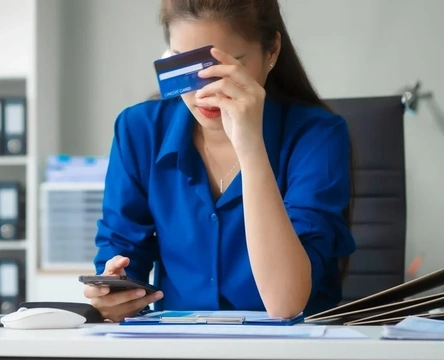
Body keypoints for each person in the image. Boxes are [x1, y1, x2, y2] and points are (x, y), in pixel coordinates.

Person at [83, 0, 356, 322]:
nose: (204, 91)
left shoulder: (317, 135)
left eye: (225, 68)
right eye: (184, 66)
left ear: (271, 52)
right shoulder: (139, 130)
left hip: (291, 343)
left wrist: (250, 144)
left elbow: (287, 304)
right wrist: (114, 293)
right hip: (175, 340)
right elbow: (124, 248)